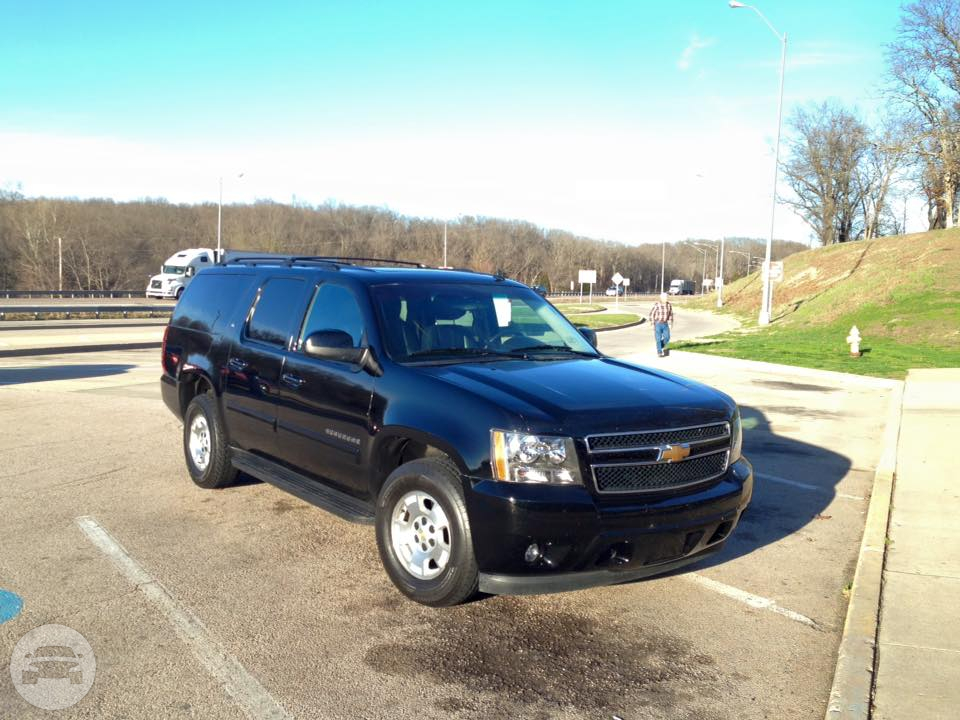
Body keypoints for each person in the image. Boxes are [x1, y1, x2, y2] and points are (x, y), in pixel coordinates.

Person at [649, 292, 674, 357]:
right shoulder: (657, 305)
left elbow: (670, 314)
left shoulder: (669, 305)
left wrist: (670, 323)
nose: (666, 298)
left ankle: (661, 345)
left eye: (667, 297)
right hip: (658, 323)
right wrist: (652, 323)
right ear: (661, 298)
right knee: (658, 339)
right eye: (665, 297)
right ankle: (659, 352)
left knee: (667, 337)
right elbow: (652, 314)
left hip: (665, 324)